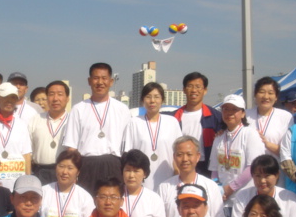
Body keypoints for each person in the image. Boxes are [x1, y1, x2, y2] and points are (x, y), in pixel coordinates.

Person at [62, 63, 131, 193]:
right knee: (86, 207)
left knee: (111, 207)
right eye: (96, 78)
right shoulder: (78, 109)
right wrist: (73, 171)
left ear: (111, 81)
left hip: (114, 165)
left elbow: (127, 146)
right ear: (89, 81)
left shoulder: (122, 109)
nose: (100, 82)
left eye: (104, 78)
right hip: (86, 166)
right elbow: (71, 148)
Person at [123, 82, 183, 190]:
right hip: (141, 179)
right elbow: (128, 154)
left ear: (162, 100)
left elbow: (179, 151)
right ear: (142, 100)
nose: (152, 101)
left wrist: (178, 172)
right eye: (148, 97)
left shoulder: (172, 122)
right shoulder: (134, 122)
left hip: (168, 177)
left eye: (156, 97)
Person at [158, 136, 225, 217]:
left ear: (198, 156)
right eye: (180, 154)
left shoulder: (211, 186)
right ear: (174, 157)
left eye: (189, 154)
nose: (185, 159)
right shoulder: (164, 187)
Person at [230, 155, 296, 217]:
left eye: (267, 176)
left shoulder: (290, 199)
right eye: (258, 176)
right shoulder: (242, 196)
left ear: (277, 175)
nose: (262, 181)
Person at [209, 94, 265, 204]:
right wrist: (217, 189)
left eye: (234, 109)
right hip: (223, 200)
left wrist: (230, 188)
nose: (229, 113)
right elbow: (214, 169)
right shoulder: (219, 137)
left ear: (243, 113)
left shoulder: (250, 134)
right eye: (226, 109)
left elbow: (253, 167)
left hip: (245, 199)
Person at [0, 82, 32, 190]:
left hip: (18, 182)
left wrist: (27, 180)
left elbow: (26, 154)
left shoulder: (21, 124)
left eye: (13, 98)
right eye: (5, 97)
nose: (9, 101)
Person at [40, 150, 94, 217]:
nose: (64, 172)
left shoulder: (85, 197)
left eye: (70, 168)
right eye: (61, 166)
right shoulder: (43, 192)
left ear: (78, 172)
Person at [173, 72, 221, 177]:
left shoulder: (216, 117)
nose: (194, 90)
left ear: (205, 90)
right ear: (184, 90)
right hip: (181, 165)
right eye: (190, 86)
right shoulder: (173, 118)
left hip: (206, 167)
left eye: (198, 87)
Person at [121, 150, 166, 217]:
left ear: (145, 174)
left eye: (136, 171)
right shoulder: (114, 195)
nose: (131, 175)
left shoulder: (154, 199)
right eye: (127, 170)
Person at [28, 80, 70, 185]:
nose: (55, 99)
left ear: (67, 98)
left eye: (60, 94)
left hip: (64, 173)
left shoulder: (73, 120)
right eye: (51, 94)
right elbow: (27, 151)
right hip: (39, 172)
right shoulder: (35, 119)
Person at [246, 77, 293, 160]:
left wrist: (266, 144)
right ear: (255, 94)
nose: (266, 96)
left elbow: (289, 150)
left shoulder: (286, 117)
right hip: (250, 169)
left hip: (275, 169)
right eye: (261, 92)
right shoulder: (245, 115)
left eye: (270, 93)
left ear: (276, 97)